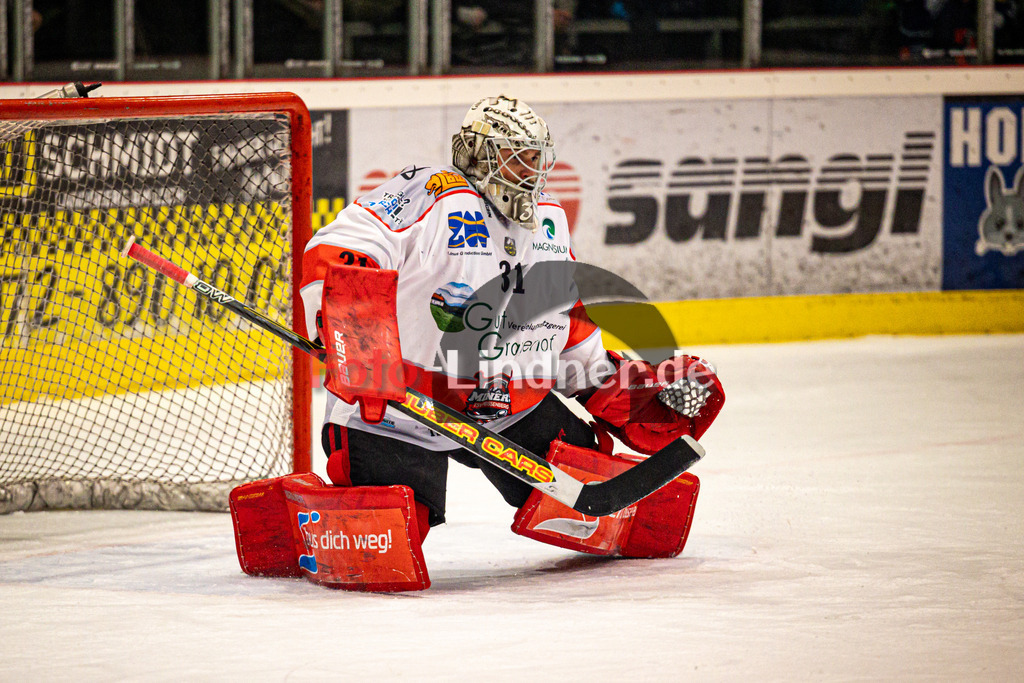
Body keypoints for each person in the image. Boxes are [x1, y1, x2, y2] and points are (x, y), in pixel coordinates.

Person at [228, 95, 724, 591]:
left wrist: (622, 391)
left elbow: (563, 320)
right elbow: (342, 246)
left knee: (605, 497)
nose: (530, 169)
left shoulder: (549, 218)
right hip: (402, 409)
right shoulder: (435, 190)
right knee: (382, 543)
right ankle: (291, 515)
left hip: (510, 406)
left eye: (536, 156)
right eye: (515, 154)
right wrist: (356, 332)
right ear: (474, 152)